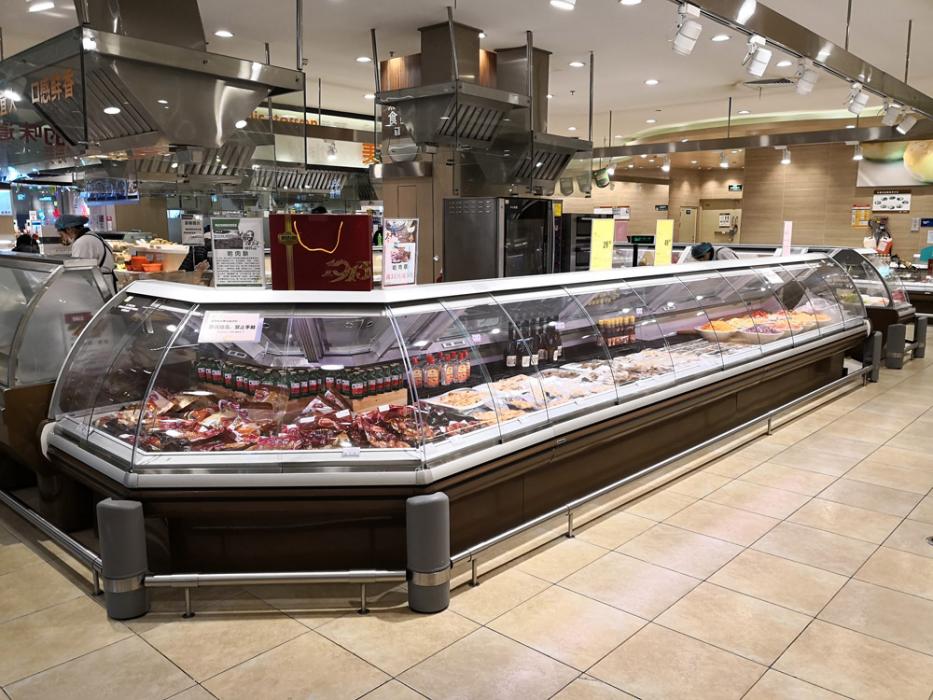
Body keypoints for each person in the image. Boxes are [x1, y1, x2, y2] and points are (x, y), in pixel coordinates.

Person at [55, 214, 116, 293]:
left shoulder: (82, 242)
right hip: (104, 284)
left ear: (69, 229)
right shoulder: (92, 236)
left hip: (99, 287)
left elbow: (78, 271)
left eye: (61, 234)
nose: (62, 238)